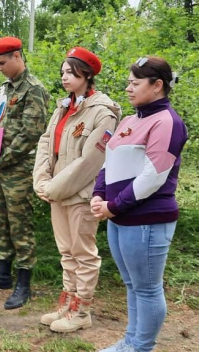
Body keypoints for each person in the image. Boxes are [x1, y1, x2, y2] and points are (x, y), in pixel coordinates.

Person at [92, 57, 187, 352]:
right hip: (119, 218)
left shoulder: (168, 122)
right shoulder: (130, 120)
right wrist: (98, 194)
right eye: (129, 83)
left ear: (157, 85)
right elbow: (109, 161)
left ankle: (141, 347)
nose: (128, 89)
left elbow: (153, 177)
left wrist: (114, 206)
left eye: (135, 83)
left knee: (147, 288)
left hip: (146, 218)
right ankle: (130, 342)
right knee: (132, 285)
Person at [33, 47, 120, 332]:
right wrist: (42, 182)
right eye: (62, 72)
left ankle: (82, 311)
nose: (64, 77)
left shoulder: (103, 112)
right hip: (57, 192)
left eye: (71, 72)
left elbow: (90, 162)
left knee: (83, 253)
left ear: (87, 75)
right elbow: (47, 144)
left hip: (80, 195)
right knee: (66, 252)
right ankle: (67, 304)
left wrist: (52, 188)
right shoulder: (63, 107)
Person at [0, 36, 50, 310]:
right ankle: (2, 274)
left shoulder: (34, 90)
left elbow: (31, 134)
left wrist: (3, 160)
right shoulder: (4, 89)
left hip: (17, 169)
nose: (0, 68)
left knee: (19, 225)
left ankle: (23, 283)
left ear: (17, 57)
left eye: (3, 63)